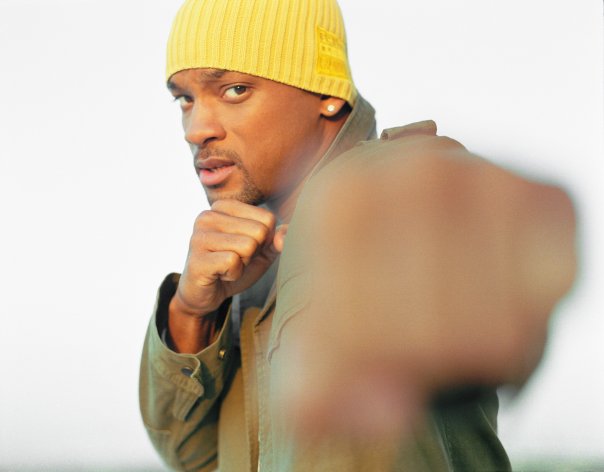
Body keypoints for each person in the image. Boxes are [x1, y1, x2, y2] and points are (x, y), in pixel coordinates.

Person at [139, 0, 577, 470]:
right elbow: (195, 458)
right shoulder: (247, 272)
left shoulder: (379, 188)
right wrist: (191, 314)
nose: (196, 130)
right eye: (185, 99)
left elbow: (440, 201)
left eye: (235, 90)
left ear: (328, 94)